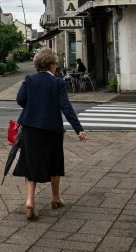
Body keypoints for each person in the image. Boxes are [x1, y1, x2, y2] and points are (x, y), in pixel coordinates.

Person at [13, 47, 88, 220]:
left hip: (30, 128)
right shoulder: (58, 83)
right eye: (56, 64)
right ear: (52, 65)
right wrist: (79, 129)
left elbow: (20, 100)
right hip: (52, 129)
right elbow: (66, 108)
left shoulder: (29, 79)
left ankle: (30, 201)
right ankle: (55, 198)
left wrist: (34, 107)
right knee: (54, 162)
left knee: (30, 163)